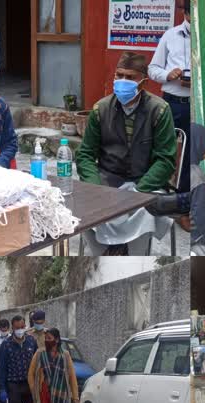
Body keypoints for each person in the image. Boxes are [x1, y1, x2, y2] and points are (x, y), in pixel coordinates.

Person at [76, 51, 177, 256]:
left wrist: (139, 190)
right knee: (84, 207)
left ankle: (134, 255)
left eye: (130, 77)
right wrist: (96, 189)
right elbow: (85, 154)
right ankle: (104, 253)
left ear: (143, 82)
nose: (123, 81)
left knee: (146, 211)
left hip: (145, 183)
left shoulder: (159, 110)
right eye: (119, 75)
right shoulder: (100, 109)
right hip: (108, 182)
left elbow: (165, 160)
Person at [149, 0, 191, 192]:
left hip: (197, 105)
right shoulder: (170, 35)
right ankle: (159, 188)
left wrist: (198, 81)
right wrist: (168, 74)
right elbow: (152, 69)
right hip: (173, 103)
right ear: (186, 14)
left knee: (192, 151)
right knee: (164, 148)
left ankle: (183, 194)